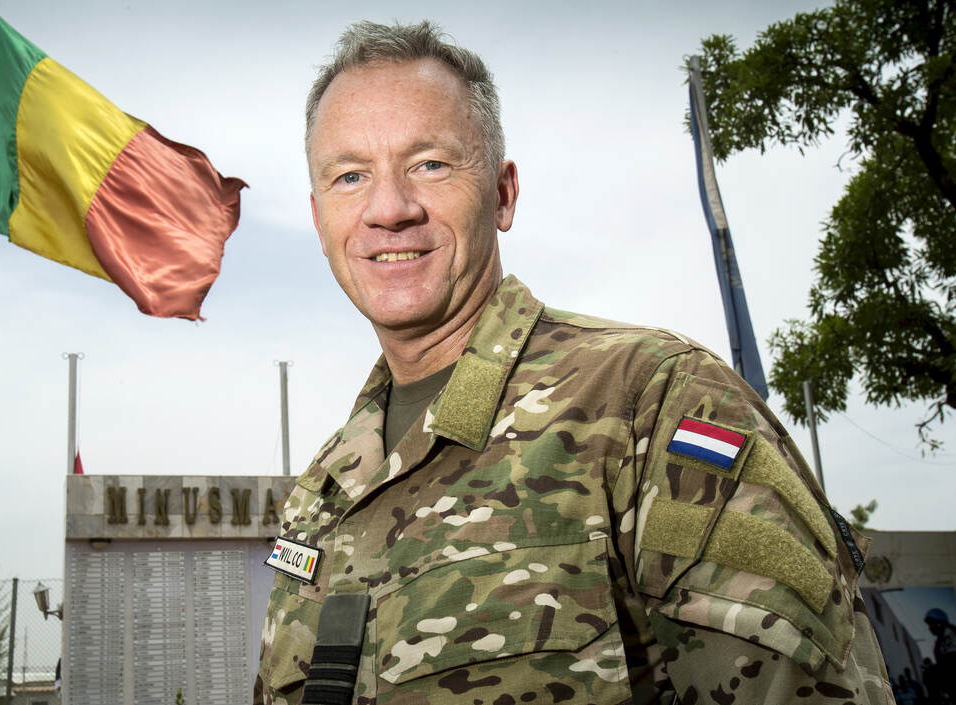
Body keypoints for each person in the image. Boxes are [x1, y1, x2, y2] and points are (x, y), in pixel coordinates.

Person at [254, 19, 894, 705]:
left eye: (430, 164)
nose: (389, 208)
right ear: (319, 220)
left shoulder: (656, 402)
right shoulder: (322, 493)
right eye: (350, 176)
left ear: (502, 194)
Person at [926, 608, 956, 703]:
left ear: (939, 622)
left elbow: (951, 657)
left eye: (932, 623)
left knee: (931, 673)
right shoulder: (940, 639)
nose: (930, 627)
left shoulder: (949, 632)